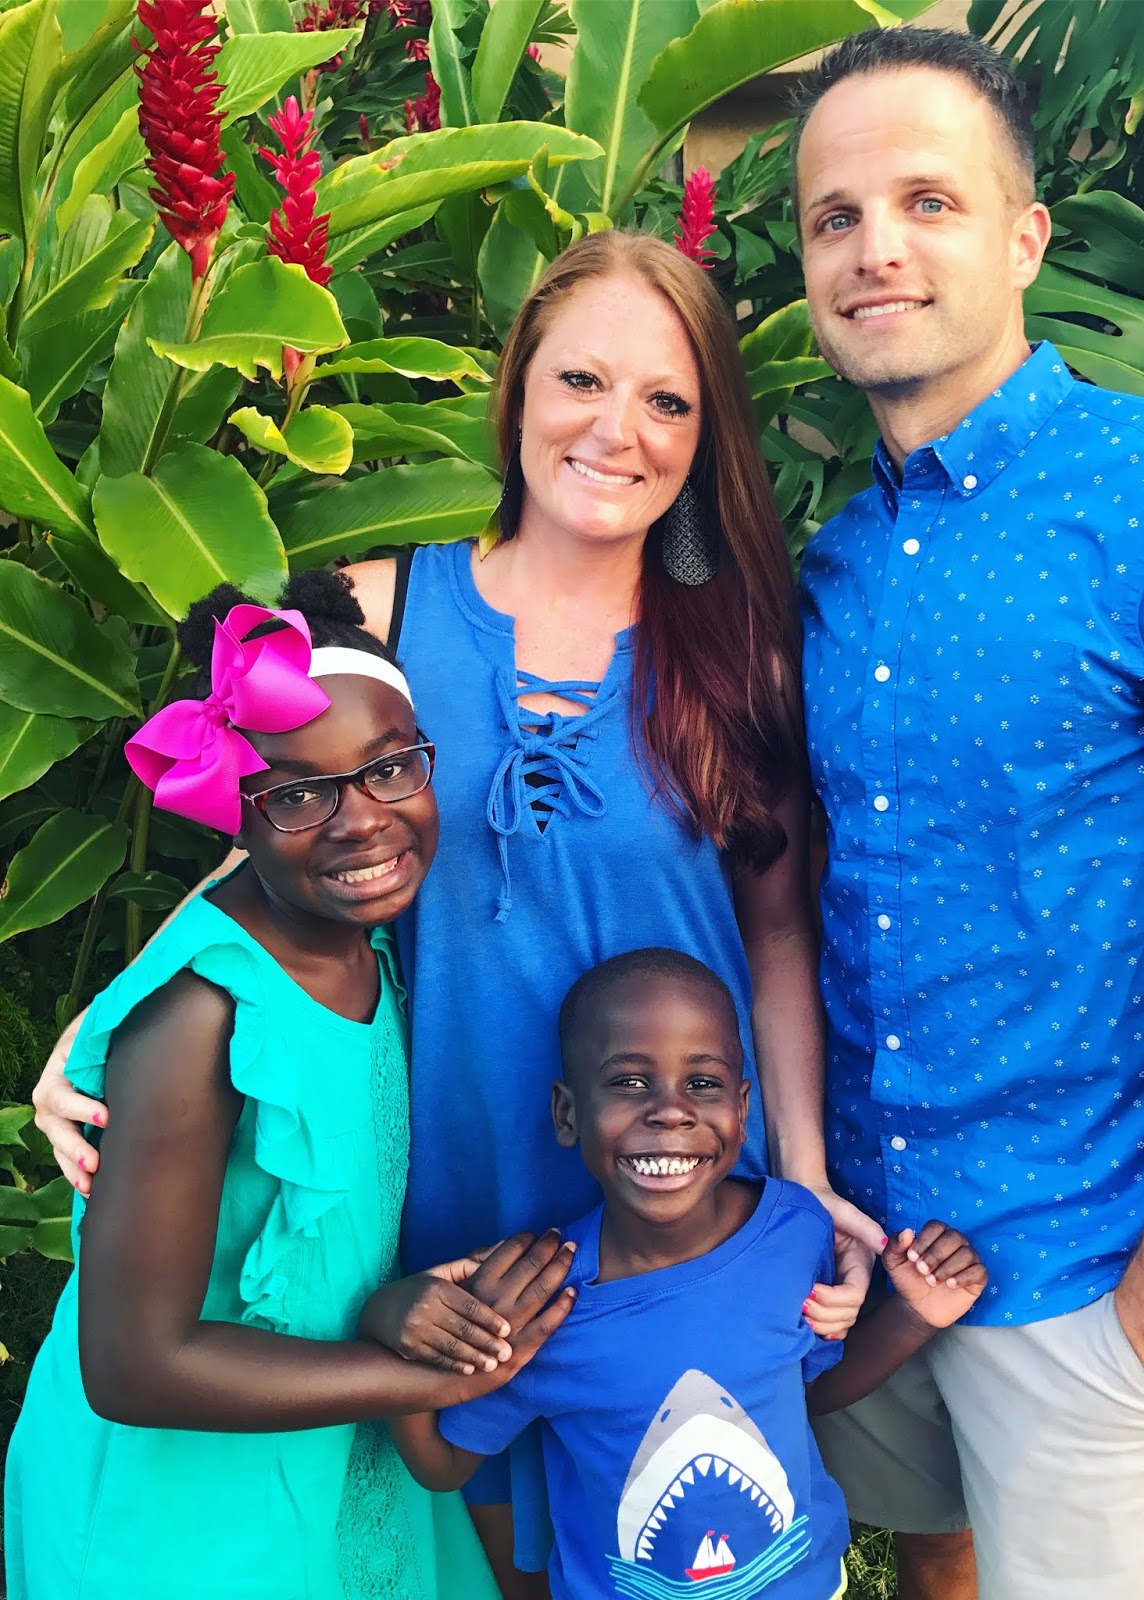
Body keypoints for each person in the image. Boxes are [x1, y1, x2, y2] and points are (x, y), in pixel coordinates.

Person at [31, 230, 885, 1597]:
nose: (616, 430)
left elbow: (778, 932)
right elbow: (272, 835)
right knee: (470, 1537)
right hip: (449, 1166)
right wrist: (110, 1015)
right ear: (518, 387)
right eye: (582, 380)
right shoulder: (383, 609)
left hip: (671, 1186)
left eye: (666, 400)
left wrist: (811, 1175)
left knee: (674, 1539)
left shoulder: (737, 653)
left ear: (705, 434)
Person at [790, 25, 1144, 1600]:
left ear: (1025, 237)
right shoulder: (834, 563)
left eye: (928, 202)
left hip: (1082, 1273)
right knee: (927, 1561)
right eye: (835, 217)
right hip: (871, 1250)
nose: (876, 249)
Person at [5, 573, 576, 1600]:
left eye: (389, 768)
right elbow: (133, 1364)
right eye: (300, 794)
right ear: (239, 811)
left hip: (326, 1452)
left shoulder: (369, 947)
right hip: (177, 1516)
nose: (362, 821)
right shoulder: (203, 1018)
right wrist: (431, 1378)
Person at [388, 948, 987, 1600]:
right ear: (567, 1113)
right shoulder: (540, 1299)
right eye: (628, 1082)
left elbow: (805, 1392)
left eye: (701, 1083)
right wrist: (400, 1328)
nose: (670, 1111)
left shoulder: (794, 1229)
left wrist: (912, 1316)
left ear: (742, 1108)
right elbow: (444, 1465)